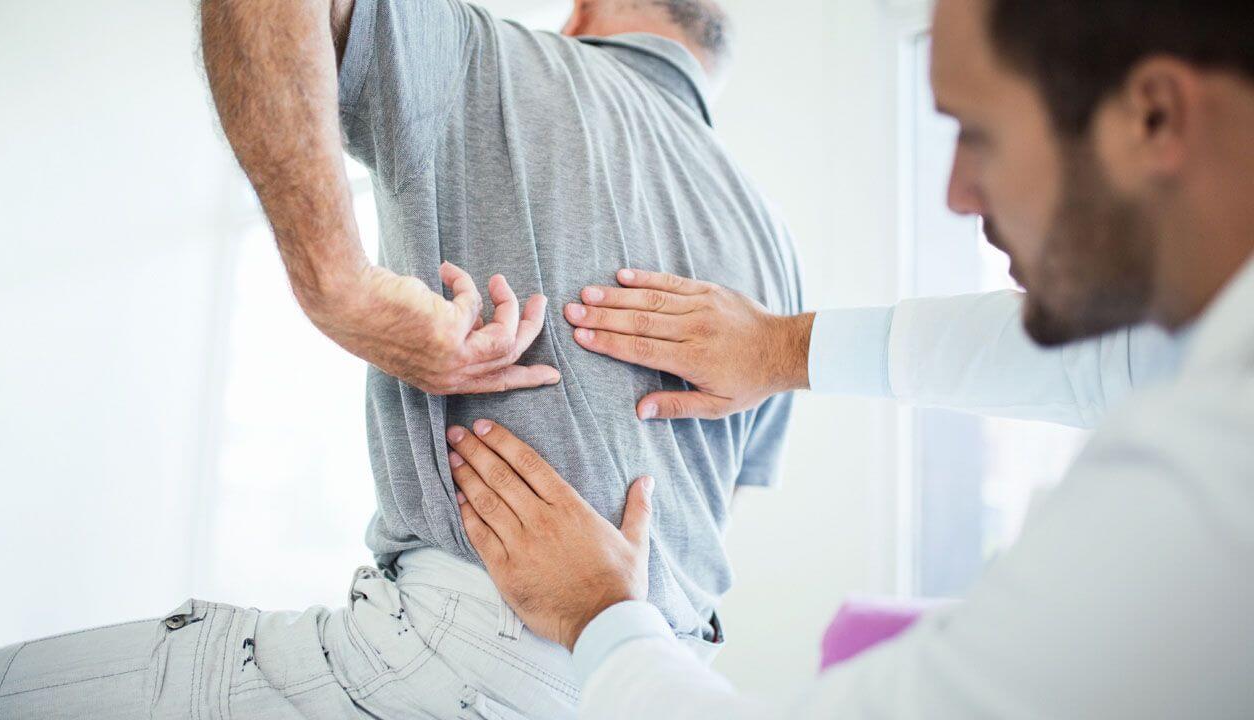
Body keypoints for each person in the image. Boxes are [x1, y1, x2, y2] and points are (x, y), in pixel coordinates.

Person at [0, 0, 807, 716]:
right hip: (656, 678)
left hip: (477, 656)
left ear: (584, 12)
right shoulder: (776, 252)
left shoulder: (495, 54)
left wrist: (338, 286)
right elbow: (705, 505)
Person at [441, 0, 1254, 717]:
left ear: (1152, 117)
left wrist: (601, 617)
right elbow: (1102, 365)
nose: (956, 194)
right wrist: (780, 346)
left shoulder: (1207, 486)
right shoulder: (1200, 366)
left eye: (978, 133)